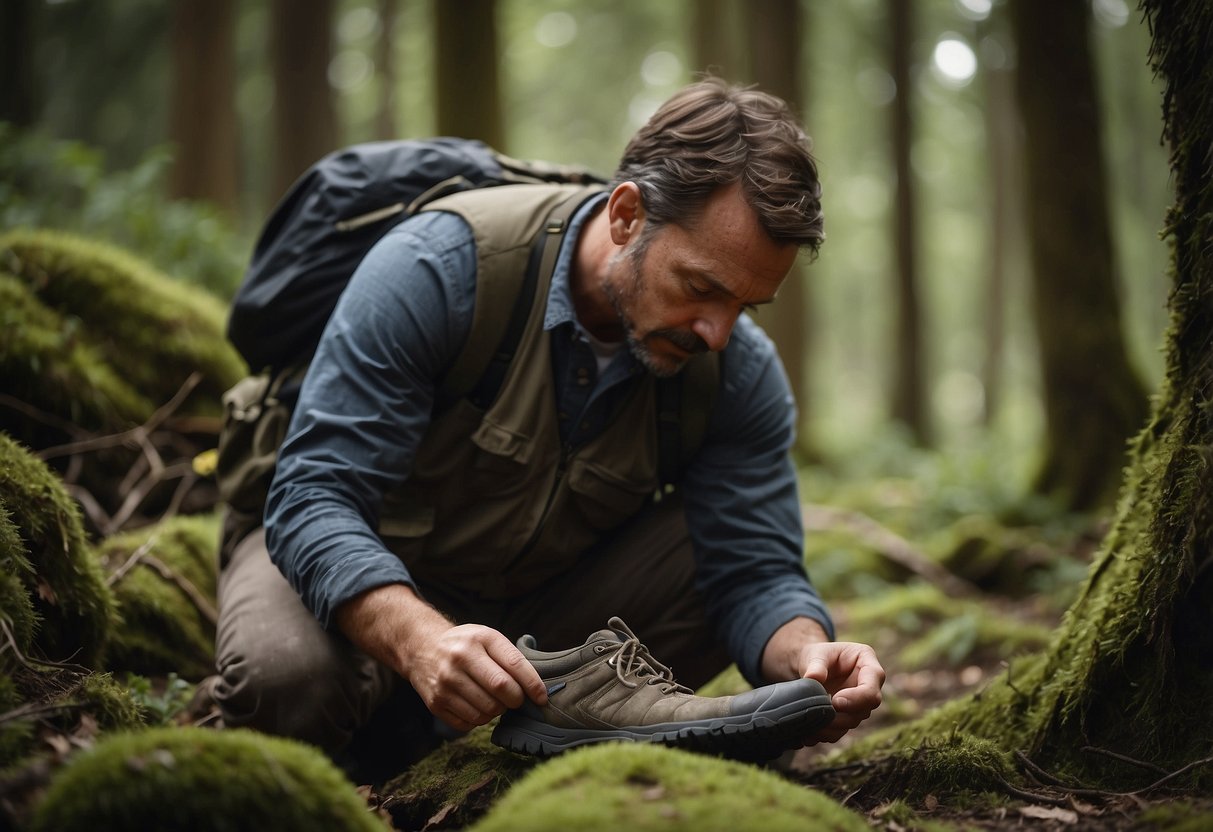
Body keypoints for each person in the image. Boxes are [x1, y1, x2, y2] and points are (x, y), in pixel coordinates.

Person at [212, 77, 884, 776]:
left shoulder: (733, 371)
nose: (717, 332)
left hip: (531, 610)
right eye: (701, 288)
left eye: (747, 305)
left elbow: (753, 569)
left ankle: (487, 738)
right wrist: (419, 641)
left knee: (711, 553)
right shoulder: (440, 268)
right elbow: (314, 496)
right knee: (283, 681)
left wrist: (807, 653)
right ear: (627, 217)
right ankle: (405, 726)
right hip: (360, 576)